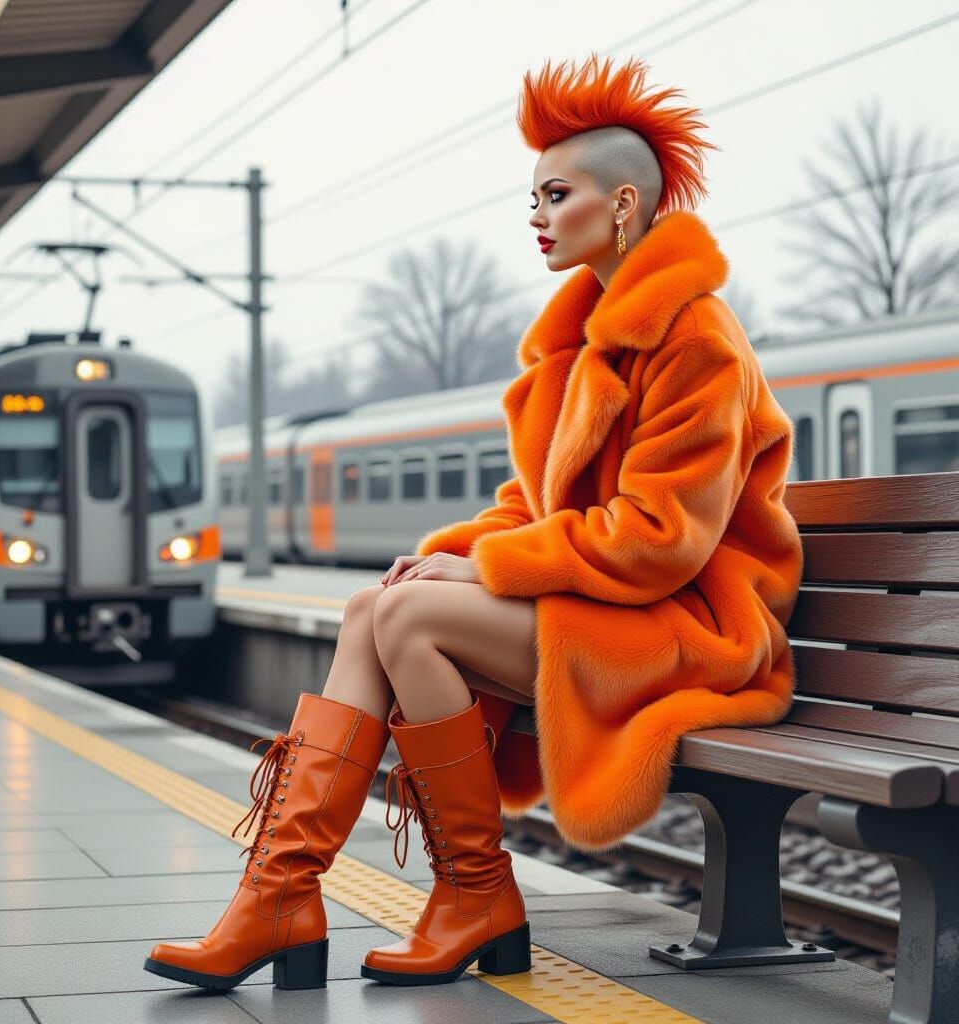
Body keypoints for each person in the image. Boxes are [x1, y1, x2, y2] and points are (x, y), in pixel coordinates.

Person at [144, 51, 804, 993]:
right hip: (615, 612)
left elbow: (661, 537)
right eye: (531, 198)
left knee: (408, 619)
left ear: (623, 205)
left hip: (692, 629)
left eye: (554, 194)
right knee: (377, 606)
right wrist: (453, 555)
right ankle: (282, 894)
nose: (534, 216)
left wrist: (489, 571)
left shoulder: (694, 338)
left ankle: (470, 892)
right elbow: (533, 508)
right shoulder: (580, 344)